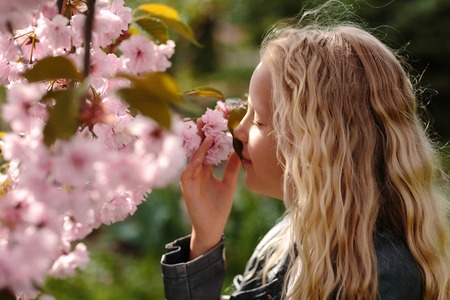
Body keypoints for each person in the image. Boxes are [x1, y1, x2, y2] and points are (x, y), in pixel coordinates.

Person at [160, 1, 450, 299]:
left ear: (317, 144)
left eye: (258, 119)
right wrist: (204, 241)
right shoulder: (282, 245)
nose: (239, 130)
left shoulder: (382, 277)